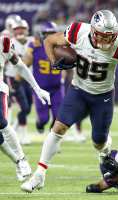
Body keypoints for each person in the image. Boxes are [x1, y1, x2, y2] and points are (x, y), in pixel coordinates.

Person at [21, 10, 118, 193]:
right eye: (102, 35)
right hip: (78, 91)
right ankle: (39, 175)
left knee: (99, 142)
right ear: (93, 31)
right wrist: (54, 61)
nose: (106, 40)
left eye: (109, 36)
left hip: (102, 97)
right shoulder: (78, 31)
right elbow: (49, 41)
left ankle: (105, 156)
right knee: (58, 128)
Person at [0, 35, 50, 181]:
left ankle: (21, 159)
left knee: (1, 123)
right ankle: (17, 160)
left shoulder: (3, 43)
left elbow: (20, 66)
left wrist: (37, 88)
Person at [22, 21, 64, 134]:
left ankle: (52, 137)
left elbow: (68, 66)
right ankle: (39, 124)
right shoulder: (35, 46)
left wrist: (63, 79)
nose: (50, 36)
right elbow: (25, 63)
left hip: (57, 88)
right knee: (43, 119)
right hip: (41, 88)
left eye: (52, 33)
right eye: (47, 33)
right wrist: (29, 53)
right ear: (42, 34)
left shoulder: (62, 47)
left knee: (59, 117)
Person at [4, 18, 33, 145]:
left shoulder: (33, 42)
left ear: (27, 30)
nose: (20, 31)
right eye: (17, 29)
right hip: (12, 78)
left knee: (28, 108)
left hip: (27, 78)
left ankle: (15, 128)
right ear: (13, 31)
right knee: (24, 106)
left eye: (22, 28)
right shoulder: (8, 42)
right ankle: (22, 134)